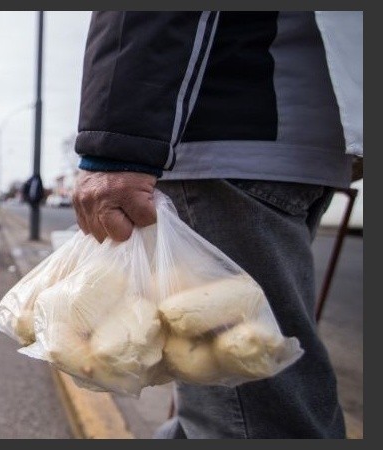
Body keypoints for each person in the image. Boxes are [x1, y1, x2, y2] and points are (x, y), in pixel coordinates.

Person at [72, 11, 361, 438]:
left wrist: (115, 145)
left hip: (223, 140)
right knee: (231, 393)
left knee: (255, 412)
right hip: (302, 144)